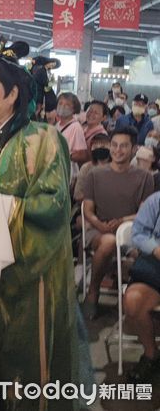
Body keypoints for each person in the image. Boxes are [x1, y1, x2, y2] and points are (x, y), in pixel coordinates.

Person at [0, 41, 79, 410]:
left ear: (12, 94)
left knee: (29, 369)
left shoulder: (44, 140)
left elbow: (53, 207)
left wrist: (2, 208)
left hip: (31, 279)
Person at [81, 126, 154, 319]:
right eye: (114, 145)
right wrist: (99, 224)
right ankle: (92, 292)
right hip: (98, 230)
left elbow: (143, 211)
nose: (117, 150)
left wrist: (122, 221)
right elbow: (87, 209)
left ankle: (135, 303)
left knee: (146, 252)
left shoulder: (145, 177)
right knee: (108, 242)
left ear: (133, 148)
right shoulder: (95, 175)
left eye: (123, 146)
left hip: (131, 231)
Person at [124, 191, 160, 381]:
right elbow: (138, 234)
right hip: (156, 263)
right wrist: (155, 249)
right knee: (133, 300)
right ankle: (151, 354)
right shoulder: (156, 201)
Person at [56, 92, 89, 184]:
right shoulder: (58, 125)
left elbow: (82, 154)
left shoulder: (76, 127)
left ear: (74, 108)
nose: (62, 106)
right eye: (60, 103)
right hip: (57, 172)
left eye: (67, 104)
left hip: (67, 174)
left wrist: (65, 155)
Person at [73, 133, 111, 202]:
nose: (99, 148)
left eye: (103, 145)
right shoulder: (86, 168)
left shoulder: (116, 168)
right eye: (95, 146)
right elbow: (77, 195)